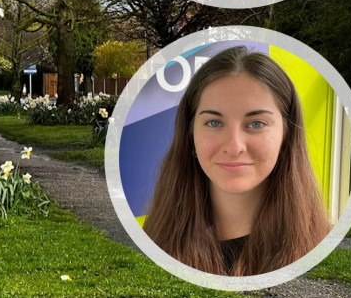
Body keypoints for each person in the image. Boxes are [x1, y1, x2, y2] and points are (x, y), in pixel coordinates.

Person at [142, 46, 332, 276]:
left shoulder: (325, 248)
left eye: (256, 123)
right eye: (214, 123)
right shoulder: (151, 243)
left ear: (286, 137)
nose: (233, 147)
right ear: (190, 136)